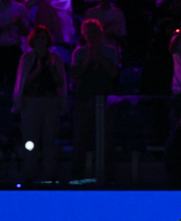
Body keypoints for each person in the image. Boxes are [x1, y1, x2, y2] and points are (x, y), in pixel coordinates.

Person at [12, 25, 67, 183]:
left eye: (43, 38)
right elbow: (23, 82)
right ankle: (30, 174)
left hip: (51, 102)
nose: (41, 41)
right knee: (30, 140)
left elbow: (60, 82)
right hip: (31, 103)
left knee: (50, 140)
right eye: (38, 38)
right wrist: (38, 70)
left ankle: (49, 176)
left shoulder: (55, 58)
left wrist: (50, 67)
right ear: (33, 40)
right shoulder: (27, 58)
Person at [71, 18, 118, 180]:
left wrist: (101, 57)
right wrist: (88, 59)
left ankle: (108, 176)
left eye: (95, 31)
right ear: (83, 34)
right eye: (88, 32)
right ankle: (78, 175)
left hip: (105, 99)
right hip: (84, 99)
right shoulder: (79, 53)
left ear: (101, 33)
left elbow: (113, 73)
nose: (92, 35)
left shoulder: (111, 51)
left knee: (106, 137)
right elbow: (75, 74)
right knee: (81, 136)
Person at [0, 0, 29, 85]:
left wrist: (20, 24)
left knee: (15, 83)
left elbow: (26, 33)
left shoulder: (20, 8)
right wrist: (12, 23)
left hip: (14, 50)